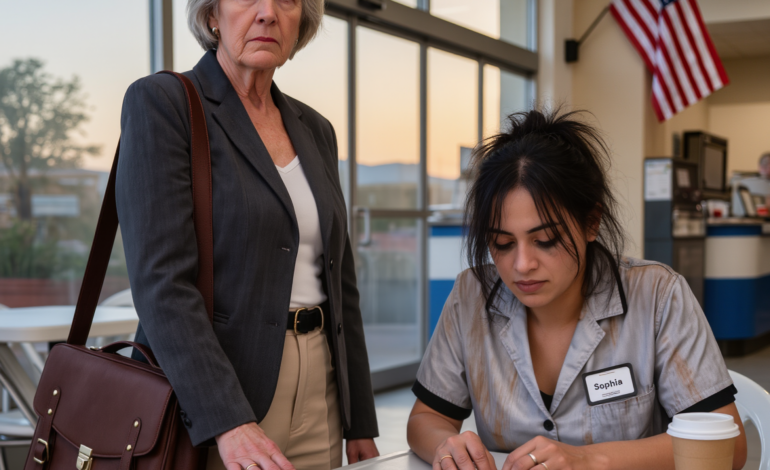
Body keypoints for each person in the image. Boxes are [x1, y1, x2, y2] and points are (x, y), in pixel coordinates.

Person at [115, 1, 379, 469]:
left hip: (322, 389)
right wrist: (227, 419)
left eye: (287, 1)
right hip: (218, 394)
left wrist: (360, 421)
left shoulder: (317, 130)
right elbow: (162, 285)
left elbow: (342, 283)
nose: (267, 13)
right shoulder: (164, 103)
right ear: (212, 15)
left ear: (302, 22)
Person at [406, 109, 747, 470]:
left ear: (591, 223)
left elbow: (730, 447)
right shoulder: (470, 296)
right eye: (502, 243)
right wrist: (448, 446)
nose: (522, 264)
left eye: (546, 239)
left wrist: (588, 459)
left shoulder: (658, 295)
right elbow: (425, 419)